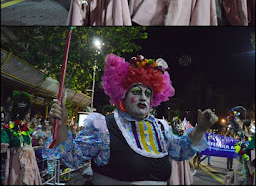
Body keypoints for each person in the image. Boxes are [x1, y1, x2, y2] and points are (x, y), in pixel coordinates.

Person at [43, 54, 218, 184]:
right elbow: (72, 159)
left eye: (148, 94)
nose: (143, 98)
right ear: (122, 96)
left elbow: (181, 151)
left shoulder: (160, 128)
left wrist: (200, 128)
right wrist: (63, 126)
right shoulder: (104, 127)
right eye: (136, 92)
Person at [1, 91, 42, 185]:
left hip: (29, 160)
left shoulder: (25, 128)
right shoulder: (8, 128)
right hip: (16, 158)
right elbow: (4, 142)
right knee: (16, 178)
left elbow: (28, 142)